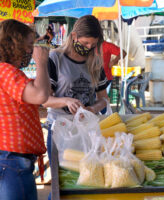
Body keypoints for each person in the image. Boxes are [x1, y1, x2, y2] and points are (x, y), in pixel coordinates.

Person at [43, 15, 110, 165]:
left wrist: (92, 109)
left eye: (92, 45)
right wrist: (66, 101)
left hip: (87, 131)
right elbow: (45, 100)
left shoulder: (96, 62)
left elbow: (104, 99)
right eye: (85, 43)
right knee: (60, 180)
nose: (88, 48)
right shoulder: (55, 58)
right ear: (74, 36)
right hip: (60, 129)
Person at [0, 19, 50, 200]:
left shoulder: (6, 70)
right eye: (29, 46)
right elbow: (40, 96)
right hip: (12, 159)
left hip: (13, 159)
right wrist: (42, 63)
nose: (31, 51)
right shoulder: (5, 71)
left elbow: (43, 92)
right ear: (14, 45)